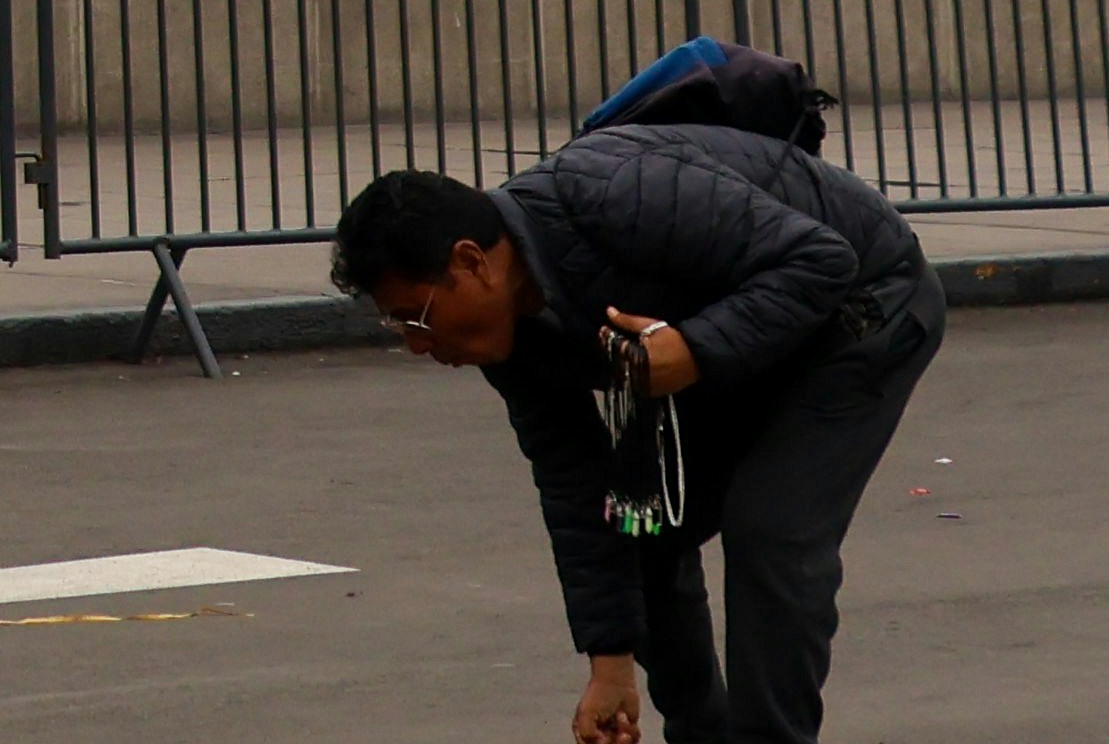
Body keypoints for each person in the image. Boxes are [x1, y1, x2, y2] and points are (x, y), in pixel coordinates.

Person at [334, 124, 946, 744]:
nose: (415, 344)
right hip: (742, 336)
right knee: (641, 523)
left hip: (866, 304)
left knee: (771, 530)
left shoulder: (615, 194)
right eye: (398, 325)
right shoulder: (511, 341)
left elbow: (823, 259)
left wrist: (699, 348)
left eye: (418, 317)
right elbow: (577, 487)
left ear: (471, 262)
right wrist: (611, 663)